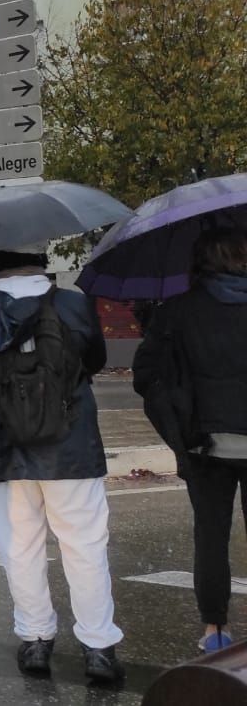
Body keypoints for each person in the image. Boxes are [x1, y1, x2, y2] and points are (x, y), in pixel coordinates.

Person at [0, 245, 123, 682]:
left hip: (5, 447)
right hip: (71, 444)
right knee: (85, 546)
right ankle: (98, 648)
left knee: (20, 547)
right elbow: (94, 360)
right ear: (41, 259)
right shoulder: (74, 303)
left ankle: (35, 639)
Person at [134, 228, 247, 654]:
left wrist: (178, 429)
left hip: (204, 445)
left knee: (211, 536)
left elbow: (148, 377)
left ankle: (214, 628)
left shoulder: (178, 312)